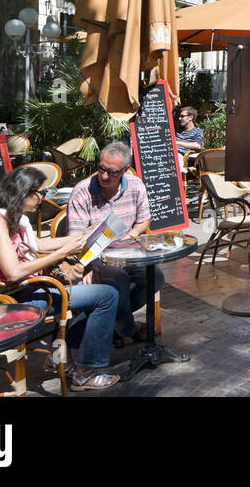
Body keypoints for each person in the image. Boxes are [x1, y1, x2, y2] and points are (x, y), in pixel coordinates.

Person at [0, 165, 122, 390]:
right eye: (41, 193)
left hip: (31, 289)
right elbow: (13, 272)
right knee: (107, 296)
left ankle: (63, 358)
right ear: (24, 192)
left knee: (102, 289)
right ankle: (84, 373)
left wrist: (82, 236)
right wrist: (62, 253)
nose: (43, 199)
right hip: (17, 300)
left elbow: (36, 245)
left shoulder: (9, 217)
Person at [66, 142, 164, 348]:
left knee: (156, 277)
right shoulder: (82, 192)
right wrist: (90, 265)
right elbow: (75, 240)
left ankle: (115, 325)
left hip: (129, 253)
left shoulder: (135, 185)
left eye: (111, 172)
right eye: (101, 168)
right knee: (117, 278)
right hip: (96, 256)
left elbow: (144, 219)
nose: (103, 176)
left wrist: (134, 233)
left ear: (125, 170)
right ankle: (129, 329)